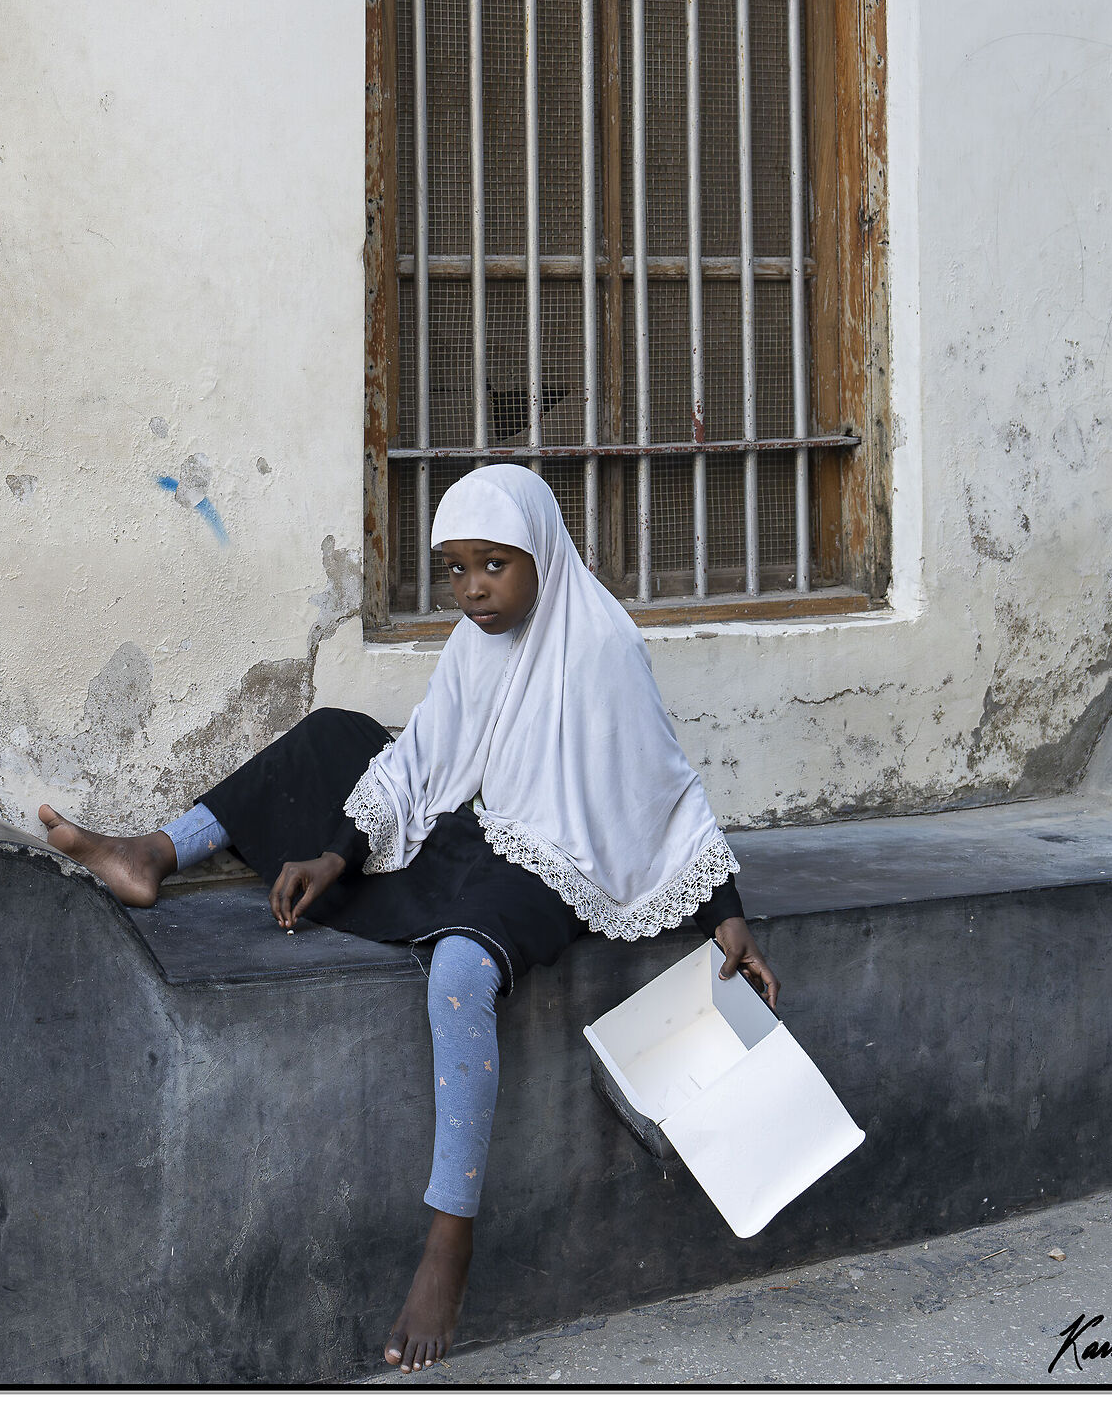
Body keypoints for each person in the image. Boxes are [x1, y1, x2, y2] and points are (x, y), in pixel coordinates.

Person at [39, 464, 779, 1374]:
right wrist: (336, 854)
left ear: (543, 556)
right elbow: (426, 756)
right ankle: (156, 851)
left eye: (494, 566)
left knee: (463, 968)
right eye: (456, 569)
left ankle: (448, 1236)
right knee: (331, 736)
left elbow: (662, 791)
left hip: (547, 856)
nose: (472, 590)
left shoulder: (601, 648)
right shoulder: (476, 641)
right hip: (465, 824)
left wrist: (728, 916)